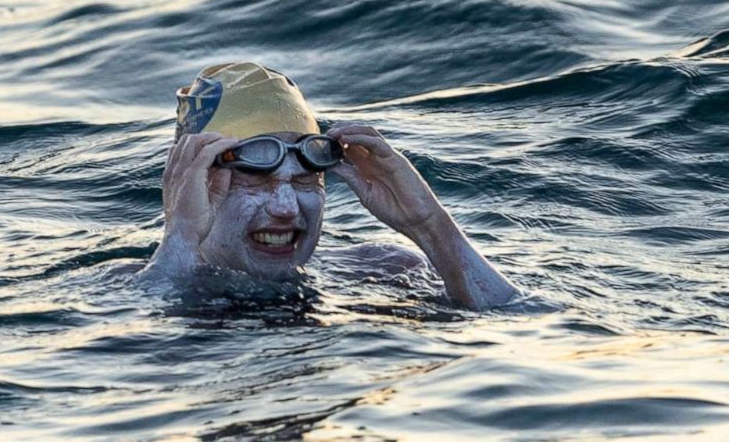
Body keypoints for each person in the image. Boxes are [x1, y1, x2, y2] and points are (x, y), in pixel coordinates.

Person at [139, 62, 518, 309]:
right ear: (190, 184)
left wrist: (430, 227)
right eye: (256, 179)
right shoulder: (127, 289)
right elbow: (147, 360)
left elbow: (513, 321)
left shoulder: (381, 269)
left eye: (305, 179)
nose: (287, 208)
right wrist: (181, 238)